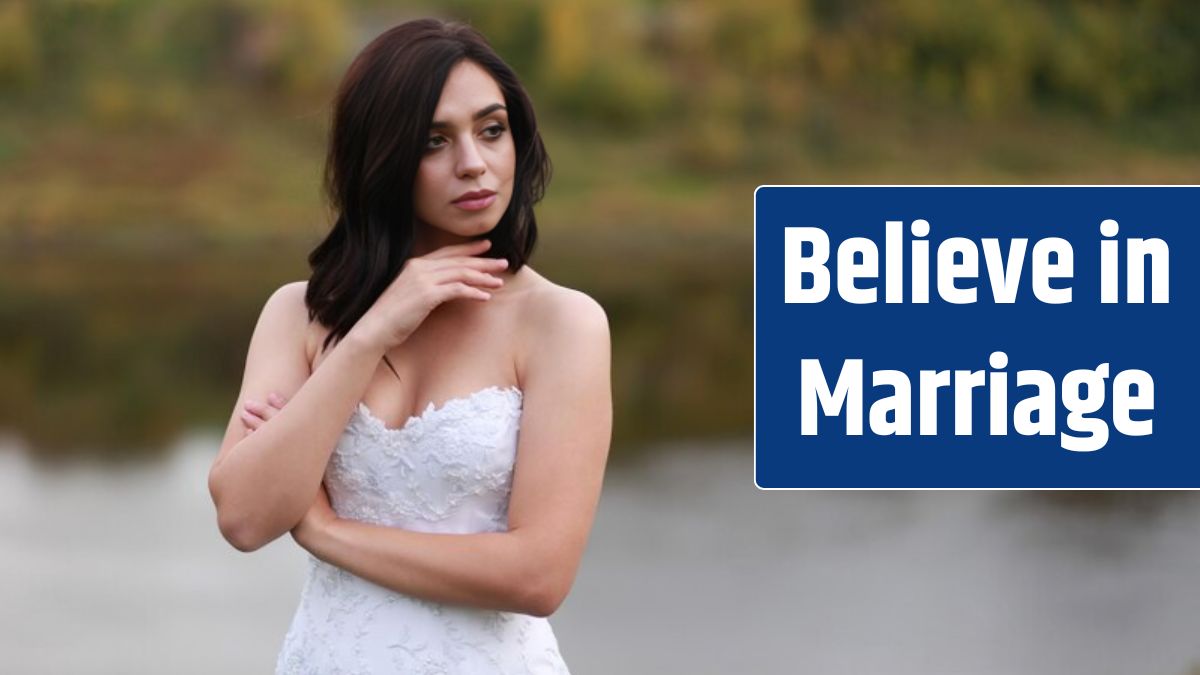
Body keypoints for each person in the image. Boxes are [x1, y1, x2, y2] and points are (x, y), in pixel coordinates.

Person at [206, 18, 612, 674]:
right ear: (383, 156)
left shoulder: (562, 323)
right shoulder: (297, 316)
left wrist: (329, 532)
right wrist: (371, 333)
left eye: (491, 129)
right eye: (434, 140)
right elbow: (247, 519)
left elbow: (539, 574)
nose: (473, 163)